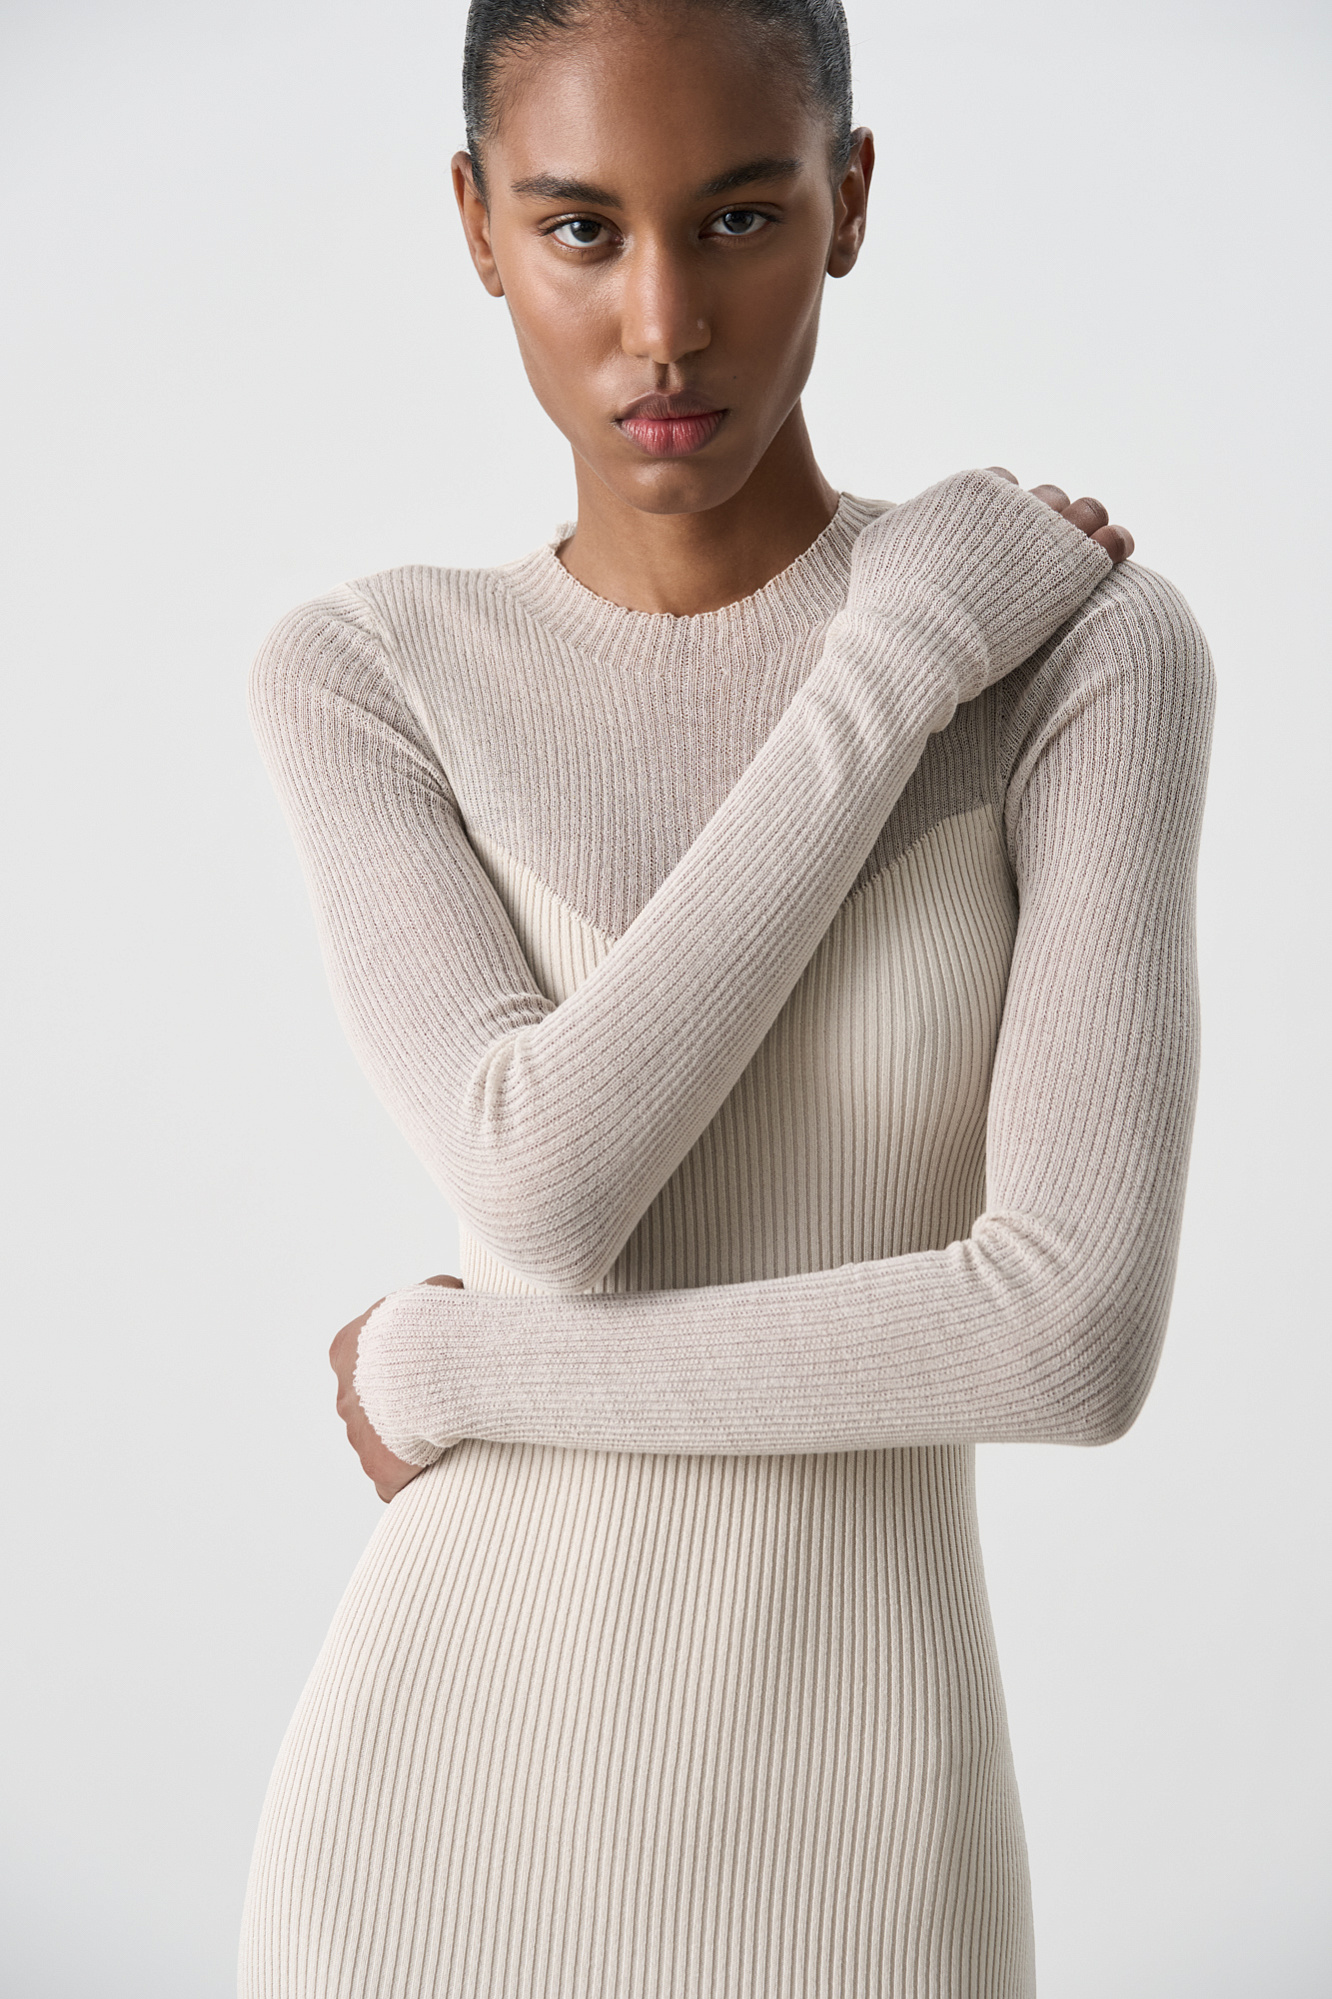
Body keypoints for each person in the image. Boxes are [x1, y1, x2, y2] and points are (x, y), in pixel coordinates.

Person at [239, 1, 1215, 1992]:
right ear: (478, 225)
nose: (664, 322)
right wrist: (885, 675)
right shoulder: (373, 674)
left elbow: (1066, 1339)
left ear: (850, 199)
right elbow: (546, 1186)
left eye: (742, 217)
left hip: (868, 1845)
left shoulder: (1078, 656)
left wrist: (458, 1372)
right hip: (432, 1825)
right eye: (580, 228)